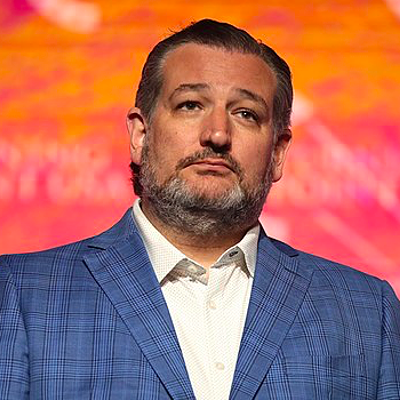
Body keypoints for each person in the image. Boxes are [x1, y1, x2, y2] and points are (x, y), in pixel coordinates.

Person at [0, 19, 399, 400]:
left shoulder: (366, 310)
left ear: (277, 152)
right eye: (191, 105)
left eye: (246, 114)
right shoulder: (20, 293)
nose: (218, 134)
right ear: (140, 135)